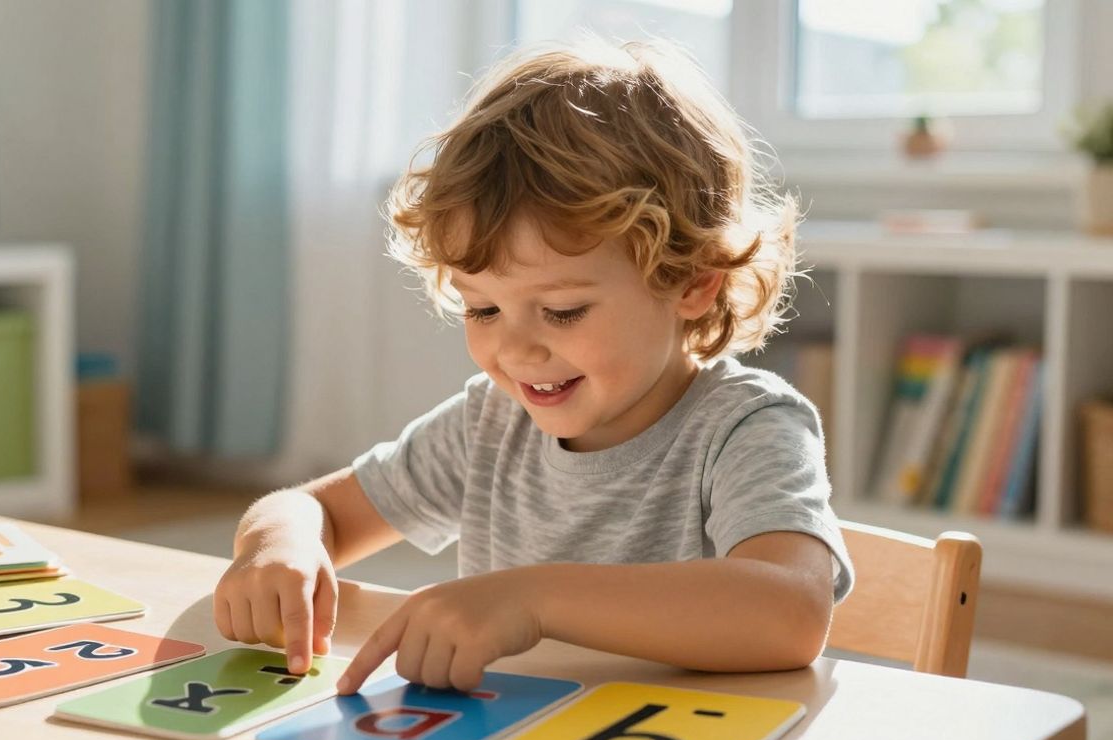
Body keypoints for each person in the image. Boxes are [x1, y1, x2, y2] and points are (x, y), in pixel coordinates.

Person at [213, 37, 855, 696]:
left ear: (693, 282)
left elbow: (790, 613)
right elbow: (312, 509)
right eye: (484, 310)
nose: (516, 352)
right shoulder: (491, 424)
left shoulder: (748, 427)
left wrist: (533, 600)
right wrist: (278, 545)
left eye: (564, 311)